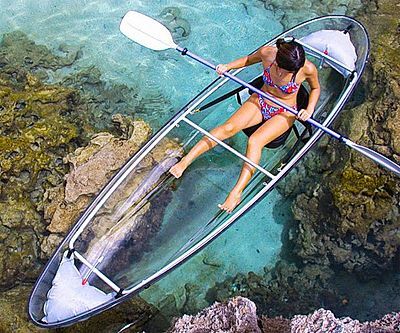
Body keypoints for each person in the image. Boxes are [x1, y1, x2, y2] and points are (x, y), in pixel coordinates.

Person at [170, 38, 320, 212]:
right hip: (261, 99)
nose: (289, 72)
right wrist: (227, 66)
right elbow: (248, 60)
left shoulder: (307, 69)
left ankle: (236, 192)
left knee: (255, 142)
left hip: (285, 111)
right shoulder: (267, 53)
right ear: (278, 60)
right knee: (228, 128)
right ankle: (185, 161)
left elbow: (315, 88)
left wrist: (309, 109)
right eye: (286, 69)